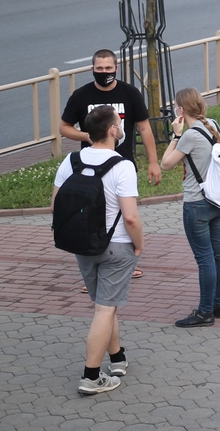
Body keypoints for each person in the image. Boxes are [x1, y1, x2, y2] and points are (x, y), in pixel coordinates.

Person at [52, 105, 142, 395]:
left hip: (82, 245)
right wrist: (139, 245)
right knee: (105, 309)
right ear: (113, 130)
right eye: (119, 123)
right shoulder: (123, 165)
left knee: (105, 304)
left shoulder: (71, 160)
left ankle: (117, 359)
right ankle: (91, 376)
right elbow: (130, 216)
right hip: (116, 246)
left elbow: (56, 206)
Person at [60, 49, 158, 282]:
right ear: (92, 69)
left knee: (125, 214)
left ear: (116, 68)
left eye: (108, 68)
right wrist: (85, 136)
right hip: (90, 169)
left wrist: (153, 161)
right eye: (99, 68)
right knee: (94, 213)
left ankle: (125, 261)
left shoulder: (130, 93)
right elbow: (64, 127)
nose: (104, 72)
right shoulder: (81, 96)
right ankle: (93, 269)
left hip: (122, 166)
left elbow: (144, 127)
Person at [159, 88, 220, 328]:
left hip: (196, 204)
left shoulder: (189, 136)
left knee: (205, 258)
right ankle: (218, 305)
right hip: (216, 199)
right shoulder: (213, 125)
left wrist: (176, 135)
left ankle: (204, 312)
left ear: (181, 110)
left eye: (175, 107)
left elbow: (166, 164)